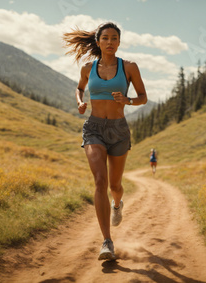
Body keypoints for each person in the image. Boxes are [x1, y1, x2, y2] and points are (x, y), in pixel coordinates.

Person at [63, 22, 147, 261]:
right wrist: (80, 101)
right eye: (106, 38)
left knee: (115, 186)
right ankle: (107, 242)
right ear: (98, 42)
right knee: (100, 180)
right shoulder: (88, 68)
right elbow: (79, 88)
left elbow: (143, 97)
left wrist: (127, 100)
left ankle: (117, 204)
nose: (110, 42)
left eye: (114, 38)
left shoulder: (129, 67)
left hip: (119, 130)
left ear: (119, 42)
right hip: (94, 129)